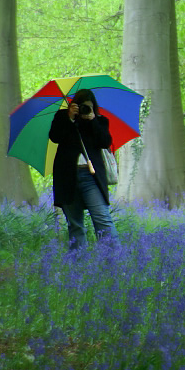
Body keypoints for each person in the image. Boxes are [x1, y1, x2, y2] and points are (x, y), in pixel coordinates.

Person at [49, 88, 118, 250]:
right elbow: (55, 137)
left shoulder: (100, 121)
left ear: (94, 106)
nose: (85, 110)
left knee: (102, 219)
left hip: (91, 177)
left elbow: (105, 142)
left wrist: (93, 120)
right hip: (67, 177)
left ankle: (115, 260)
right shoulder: (63, 117)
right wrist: (70, 119)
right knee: (75, 224)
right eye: (82, 106)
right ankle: (79, 266)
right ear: (75, 106)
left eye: (89, 106)